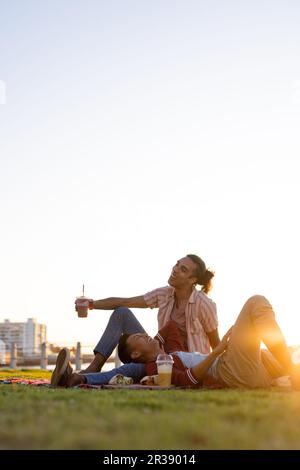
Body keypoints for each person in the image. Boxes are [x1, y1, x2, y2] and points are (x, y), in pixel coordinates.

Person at [61, 295, 300, 389]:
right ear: (135, 352)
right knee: (256, 302)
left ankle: (290, 370)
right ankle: (83, 375)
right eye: (138, 337)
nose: (143, 334)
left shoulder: (170, 352)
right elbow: (187, 380)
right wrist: (216, 352)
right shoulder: (155, 366)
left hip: (251, 368)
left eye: (182, 268)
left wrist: (155, 343)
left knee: (256, 331)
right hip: (228, 368)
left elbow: (171, 327)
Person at [51, 254, 220, 387]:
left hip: (183, 364)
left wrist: (215, 372)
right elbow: (125, 302)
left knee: (130, 370)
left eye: (183, 269)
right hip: (157, 355)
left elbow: (216, 344)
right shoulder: (164, 294)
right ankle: (93, 367)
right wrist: (92, 304)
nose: (175, 269)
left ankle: (77, 378)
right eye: (177, 264)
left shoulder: (204, 304)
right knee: (122, 312)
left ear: (192, 280)